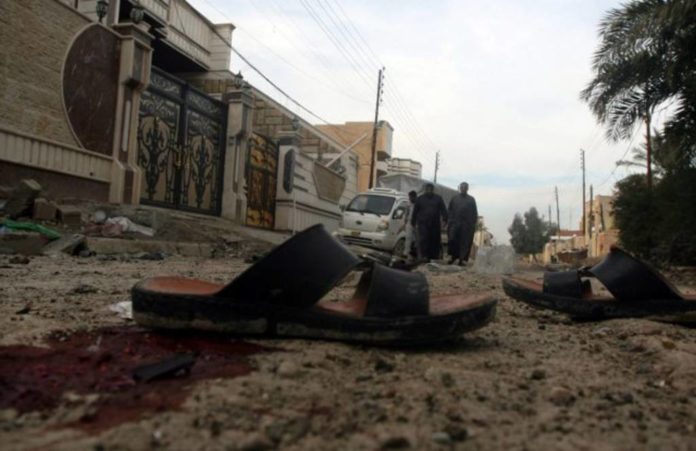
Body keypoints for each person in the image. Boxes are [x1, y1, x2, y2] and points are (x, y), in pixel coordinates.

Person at [411, 183, 447, 261]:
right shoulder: (420, 199)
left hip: (435, 224)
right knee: (424, 240)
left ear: (433, 190)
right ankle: (424, 256)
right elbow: (415, 212)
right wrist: (413, 222)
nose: (429, 191)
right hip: (423, 224)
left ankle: (434, 257)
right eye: (427, 189)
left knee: (434, 240)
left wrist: (445, 219)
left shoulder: (438, 198)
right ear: (425, 190)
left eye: (430, 189)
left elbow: (443, 209)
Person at [447, 182, 478, 265]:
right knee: (452, 239)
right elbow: (450, 210)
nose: (463, 189)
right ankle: (453, 257)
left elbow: (474, 213)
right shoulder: (454, 198)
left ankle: (462, 259)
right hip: (455, 223)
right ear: (460, 188)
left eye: (465, 187)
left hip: (466, 225)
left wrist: (473, 224)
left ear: (467, 189)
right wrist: (450, 220)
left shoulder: (471, 199)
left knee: (464, 242)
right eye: (462, 187)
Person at [403, 190, 418, 259]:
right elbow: (406, 213)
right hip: (410, 221)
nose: (410, 199)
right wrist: (405, 221)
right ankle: (406, 252)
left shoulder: (418, 203)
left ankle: (415, 252)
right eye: (409, 197)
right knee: (408, 237)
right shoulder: (408, 204)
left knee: (416, 238)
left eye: (411, 197)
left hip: (417, 222)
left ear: (415, 197)